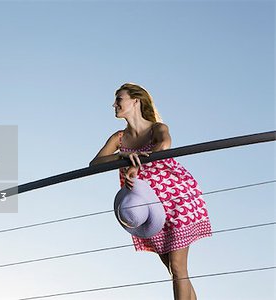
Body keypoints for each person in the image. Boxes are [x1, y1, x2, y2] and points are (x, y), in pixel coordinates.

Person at [90, 83, 212, 300]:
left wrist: (138, 165)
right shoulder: (119, 138)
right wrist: (121, 157)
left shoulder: (156, 128)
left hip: (176, 198)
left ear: (135, 101)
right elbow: (95, 163)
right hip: (148, 207)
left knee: (177, 267)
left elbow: (165, 143)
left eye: (119, 99)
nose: (114, 104)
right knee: (175, 270)